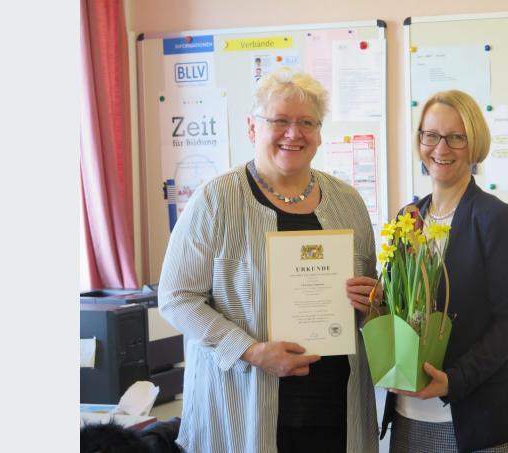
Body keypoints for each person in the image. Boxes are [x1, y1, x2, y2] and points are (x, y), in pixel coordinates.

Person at [158, 67, 380, 453]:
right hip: (244, 413)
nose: (294, 133)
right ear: (252, 127)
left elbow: (369, 300)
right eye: (280, 120)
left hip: (335, 414)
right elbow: (176, 298)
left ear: (319, 132)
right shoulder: (215, 200)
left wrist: (372, 301)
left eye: (306, 123)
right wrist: (250, 351)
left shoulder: (349, 203)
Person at [380, 90, 508, 453]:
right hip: (409, 415)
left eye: (456, 137)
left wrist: (453, 380)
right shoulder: (409, 219)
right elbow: (400, 309)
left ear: (474, 143)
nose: (440, 148)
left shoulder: (497, 220)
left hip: (479, 422)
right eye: (430, 135)